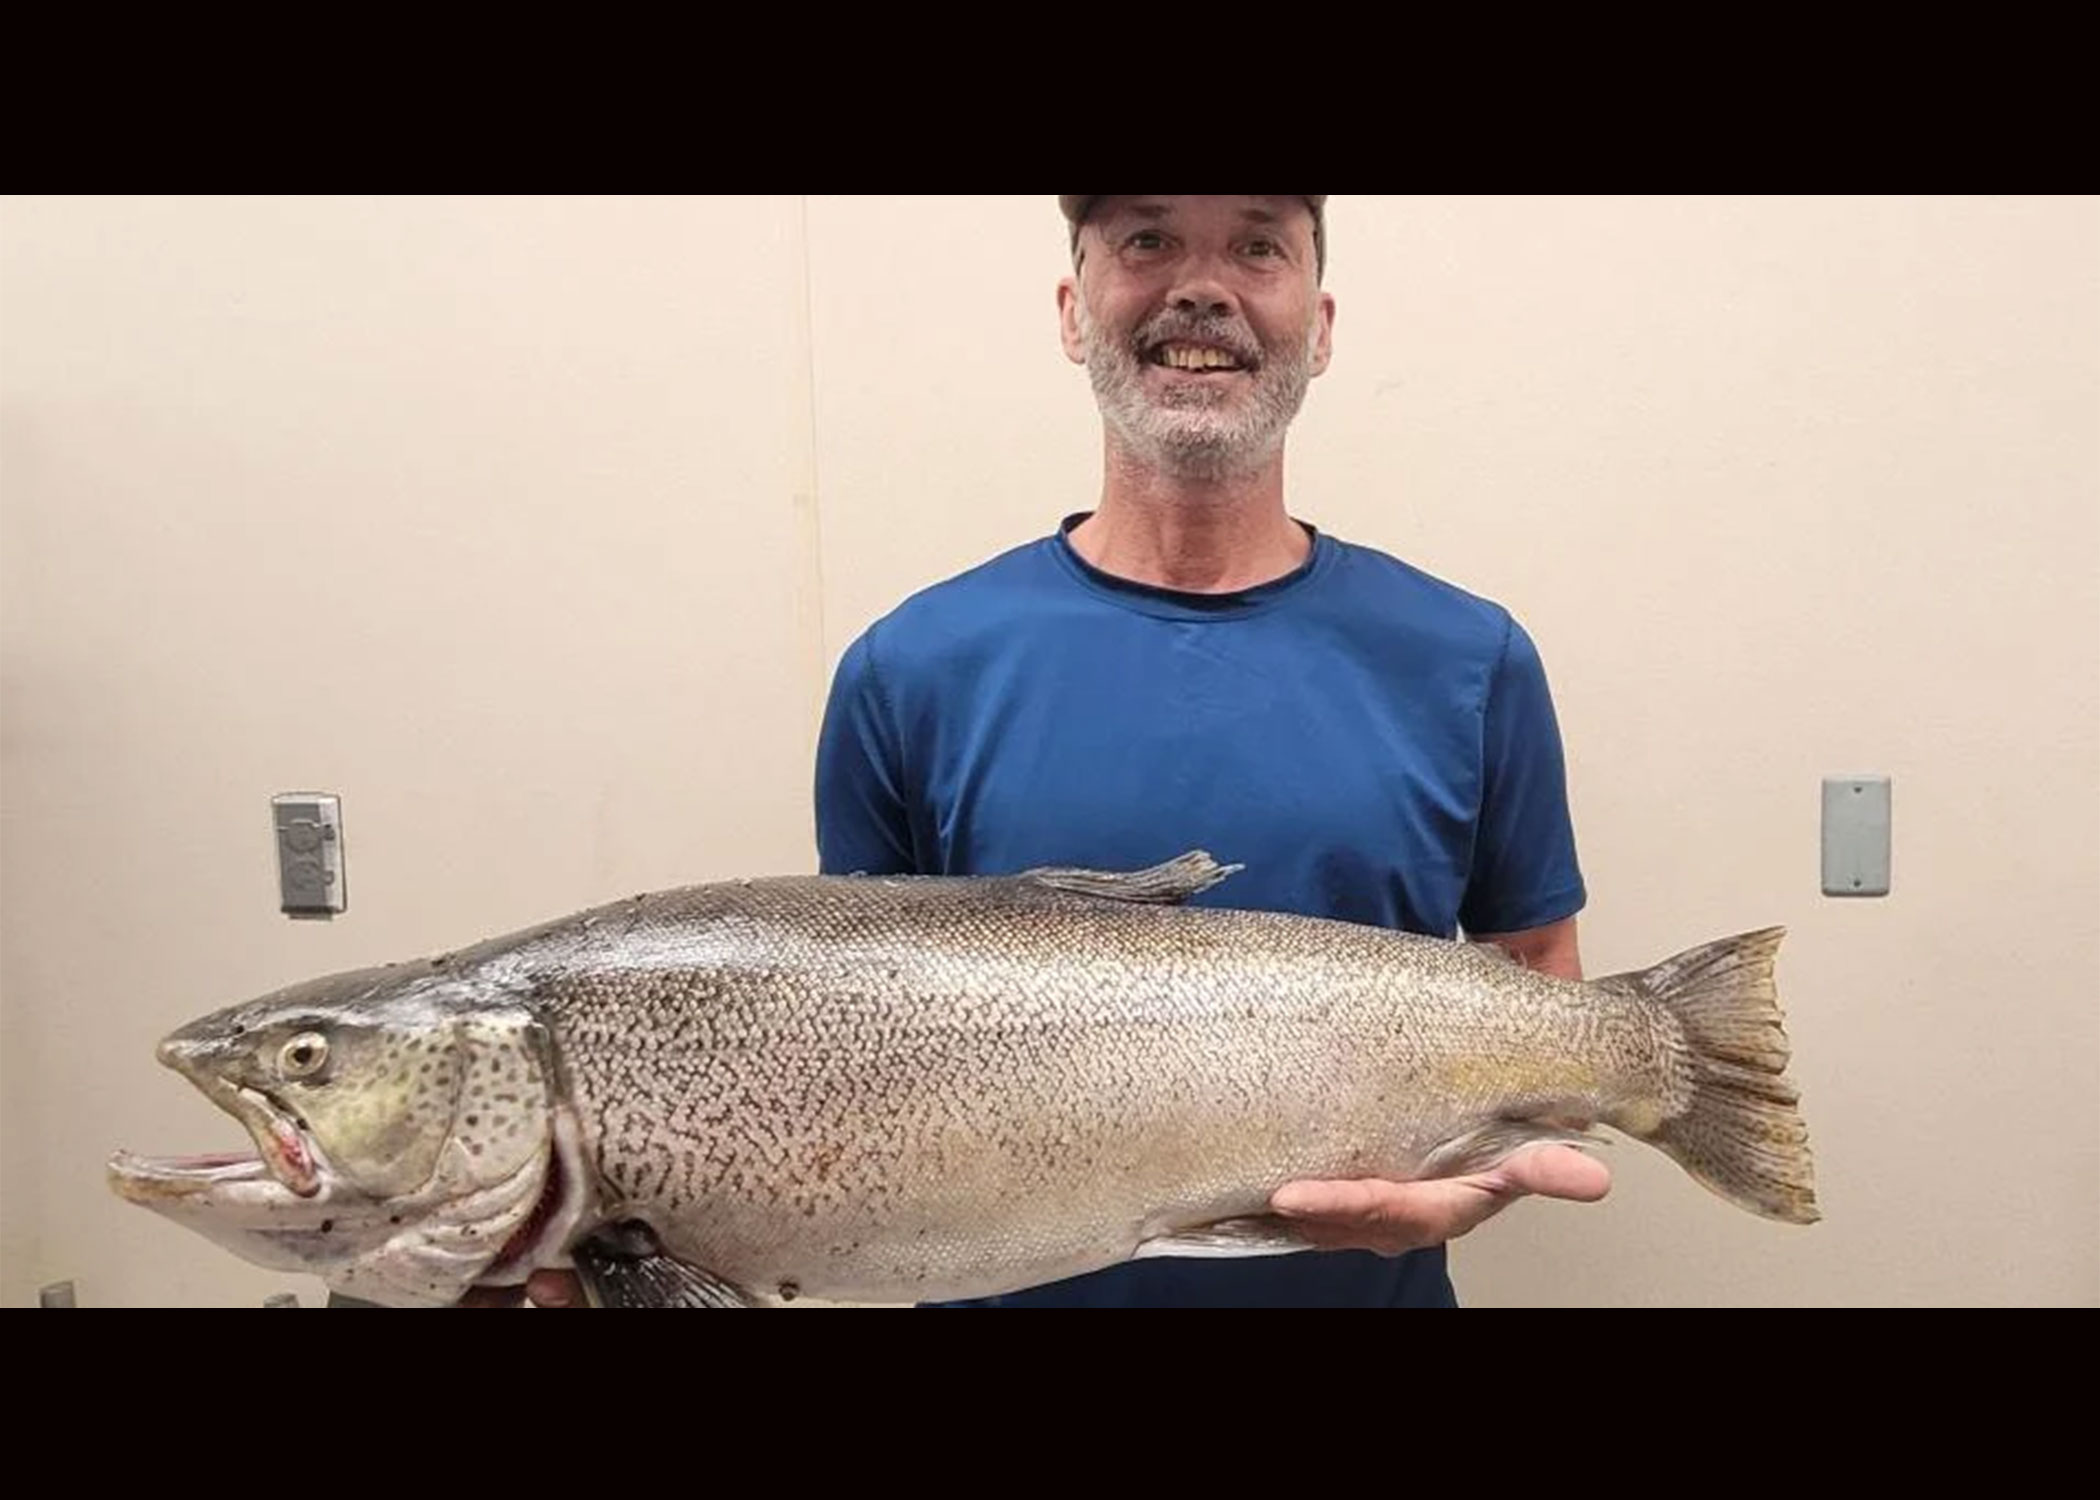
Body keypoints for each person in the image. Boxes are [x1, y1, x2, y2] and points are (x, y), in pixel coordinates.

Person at [490, 194, 1607, 1310]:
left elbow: (1537, 977)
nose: (1202, 285)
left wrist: (1493, 1168)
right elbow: (856, 1061)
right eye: (1147, 240)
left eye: (1257, 245)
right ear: (1075, 311)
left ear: (1319, 323)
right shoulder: (909, 669)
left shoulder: (1469, 658)